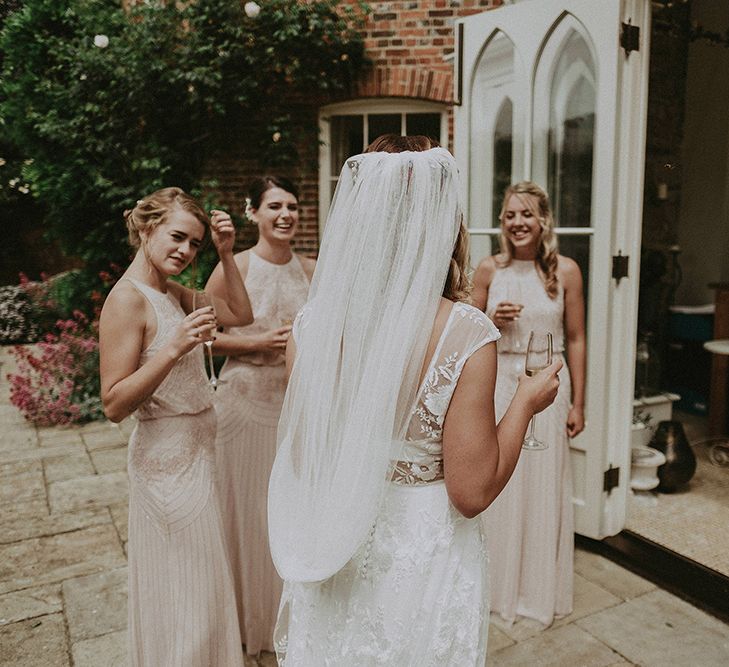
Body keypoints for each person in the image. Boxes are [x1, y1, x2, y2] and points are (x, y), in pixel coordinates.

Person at [267, 136, 562, 665]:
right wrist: (525, 403)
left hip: (338, 538)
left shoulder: (311, 326)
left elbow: (303, 457)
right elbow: (470, 492)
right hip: (424, 553)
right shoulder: (466, 333)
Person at [99, 187, 253, 666]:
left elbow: (240, 315)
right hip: (166, 463)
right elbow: (113, 402)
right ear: (146, 228)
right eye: (177, 237)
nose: (186, 251)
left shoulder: (172, 292)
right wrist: (174, 348)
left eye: (195, 244)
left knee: (200, 589)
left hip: (199, 454)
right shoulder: (127, 301)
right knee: (190, 590)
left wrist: (227, 256)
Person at [206, 176, 315, 656]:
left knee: (288, 515)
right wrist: (254, 342)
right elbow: (203, 335)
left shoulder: (313, 271)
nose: (286, 214)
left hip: (295, 408)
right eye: (275, 206)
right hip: (242, 403)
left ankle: (287, 623)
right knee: (247, 515)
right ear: (254, 212)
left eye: (292, 206)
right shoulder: (236, 266)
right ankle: (248, 626)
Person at [471, 181, 586, 627]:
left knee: (541, 484)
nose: (517, 223)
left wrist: (579, 404)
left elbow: (575, 338)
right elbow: (467, 333)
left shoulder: (567, 271)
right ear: (502, 222)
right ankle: (496, 587)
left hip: (550, 385)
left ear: (543, 221)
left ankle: (536, 591)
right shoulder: (487, 269)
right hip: (499, 382)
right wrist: (490, 319)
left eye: (526, 215)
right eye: (509, 215)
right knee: (502, 481)